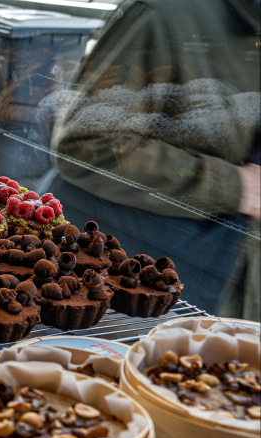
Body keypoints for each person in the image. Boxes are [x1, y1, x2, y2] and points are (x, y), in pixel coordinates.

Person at [47, 0, 260, 319]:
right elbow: (86, 143)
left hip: (231, 272)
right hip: (144, 273)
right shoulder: (163, 11)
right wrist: (234, 186)